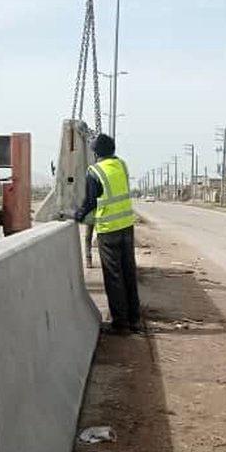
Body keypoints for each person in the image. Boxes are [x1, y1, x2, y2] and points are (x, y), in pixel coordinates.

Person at [74, 134, 142, 334]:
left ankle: (121, 324)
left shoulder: (94, 171)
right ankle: (134, 319)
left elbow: (90, 202)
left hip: (108, 230)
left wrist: (77, 215)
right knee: (128, 272)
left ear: (96, 153)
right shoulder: (122, 165)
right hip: (127, 227)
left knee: (114, 277)